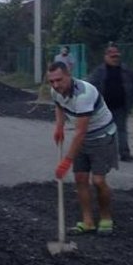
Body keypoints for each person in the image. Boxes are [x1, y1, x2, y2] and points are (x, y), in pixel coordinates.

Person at [48, 61, 118, 236]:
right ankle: (87, 222)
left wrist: (67, 161)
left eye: (59, 80)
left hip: (102, 136)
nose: (56, 85)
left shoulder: (84, 94)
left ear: (69, 75)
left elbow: (80, 132)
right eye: (52, 81)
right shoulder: (55, 91)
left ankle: (105, 217)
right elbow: (59, 105)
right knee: (80, 179)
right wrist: (59, 126)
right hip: (84, 138)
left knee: (98, 181)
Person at [88, 43, 133, 162]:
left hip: (121, 106)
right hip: (103, 107)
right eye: (112, 57)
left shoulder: (126, 70)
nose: (115, 59)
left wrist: (132, 102)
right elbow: (91, 86)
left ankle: (124, 153)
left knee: (121, 130)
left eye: (116, 56)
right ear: (106, 57)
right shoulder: (99, 72)